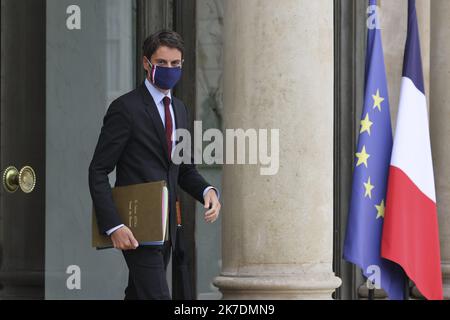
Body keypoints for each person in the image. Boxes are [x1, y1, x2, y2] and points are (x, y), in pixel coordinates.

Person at [88, 30, 221, 300]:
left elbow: (183, 169)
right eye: (162, 63)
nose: (169, 69)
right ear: (146, 63)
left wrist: (208, 191)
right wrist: (114, 226)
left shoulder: (180, 109)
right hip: (136, 227)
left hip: (167, 228)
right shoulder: (124, 108)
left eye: (175, 64)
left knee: (138, 295)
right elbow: (98, 170)